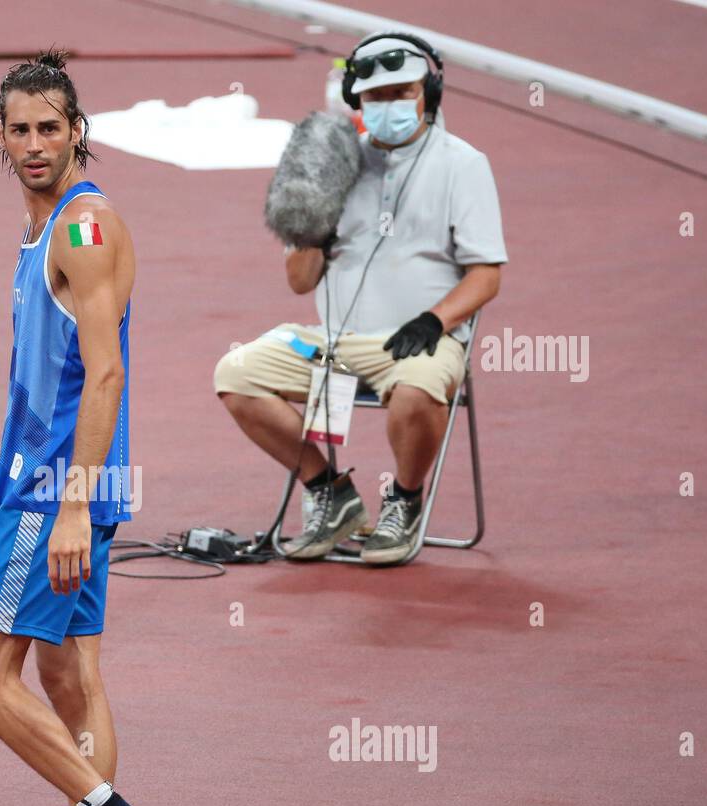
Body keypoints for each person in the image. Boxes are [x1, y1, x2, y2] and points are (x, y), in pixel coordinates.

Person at [0, 51, 185, 806]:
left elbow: (107, 369)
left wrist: (74, 507)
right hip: (75, 479)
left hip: (56, 488)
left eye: (54, 126)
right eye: (21, 129)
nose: (37, 143)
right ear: (1, 138)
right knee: (67, 671)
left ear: (79, 130)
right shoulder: (44, 226)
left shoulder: (83, 232)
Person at [214, 32, 506, 565]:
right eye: (375, 97)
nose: (389, 105)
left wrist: (433, 322)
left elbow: (486, 275)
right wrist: (312, 229)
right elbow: (300, 282)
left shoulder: (464, 165)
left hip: (420, 341)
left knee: (418, 391)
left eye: (402, 92)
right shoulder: (331, 166)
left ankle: (406, 500)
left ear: (430, 92)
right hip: (333, 344)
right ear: (357, 102)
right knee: (236, 374)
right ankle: (329, 493)